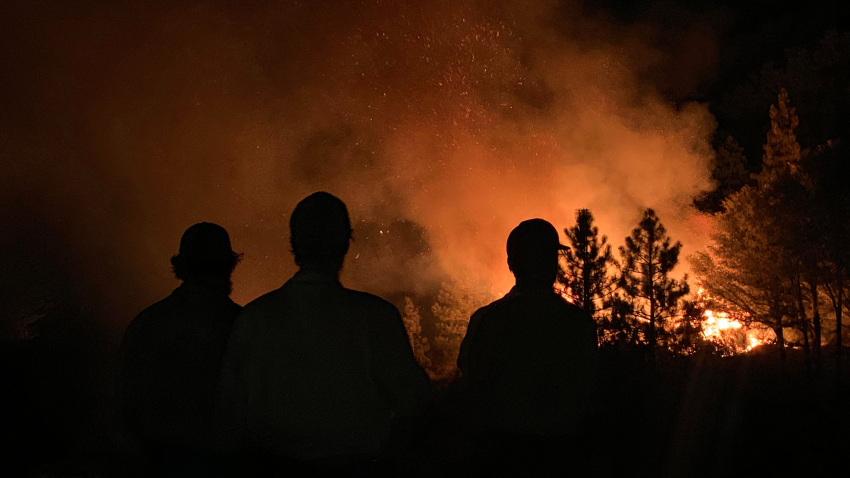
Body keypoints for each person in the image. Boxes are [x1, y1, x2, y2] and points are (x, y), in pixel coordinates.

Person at [218, 191, 433, 476]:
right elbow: (416, 405)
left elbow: (230, 412)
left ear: (293, 244)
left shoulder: (254, 318)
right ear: (345, 243)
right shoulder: (374, 318)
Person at [457, 218, 598, 475]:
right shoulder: (578, 323)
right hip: (562, 452)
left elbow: (471, 375)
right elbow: (590, 387)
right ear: (553, 263)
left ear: (512, 263)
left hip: (503, 451)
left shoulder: (489, 319)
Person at [120, 222, 243, 476]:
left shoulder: (148, 323)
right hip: (227, 462)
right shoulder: (244, 327)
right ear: (229, 266)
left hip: (162, 460)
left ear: (183, 266)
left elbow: (127, 405)